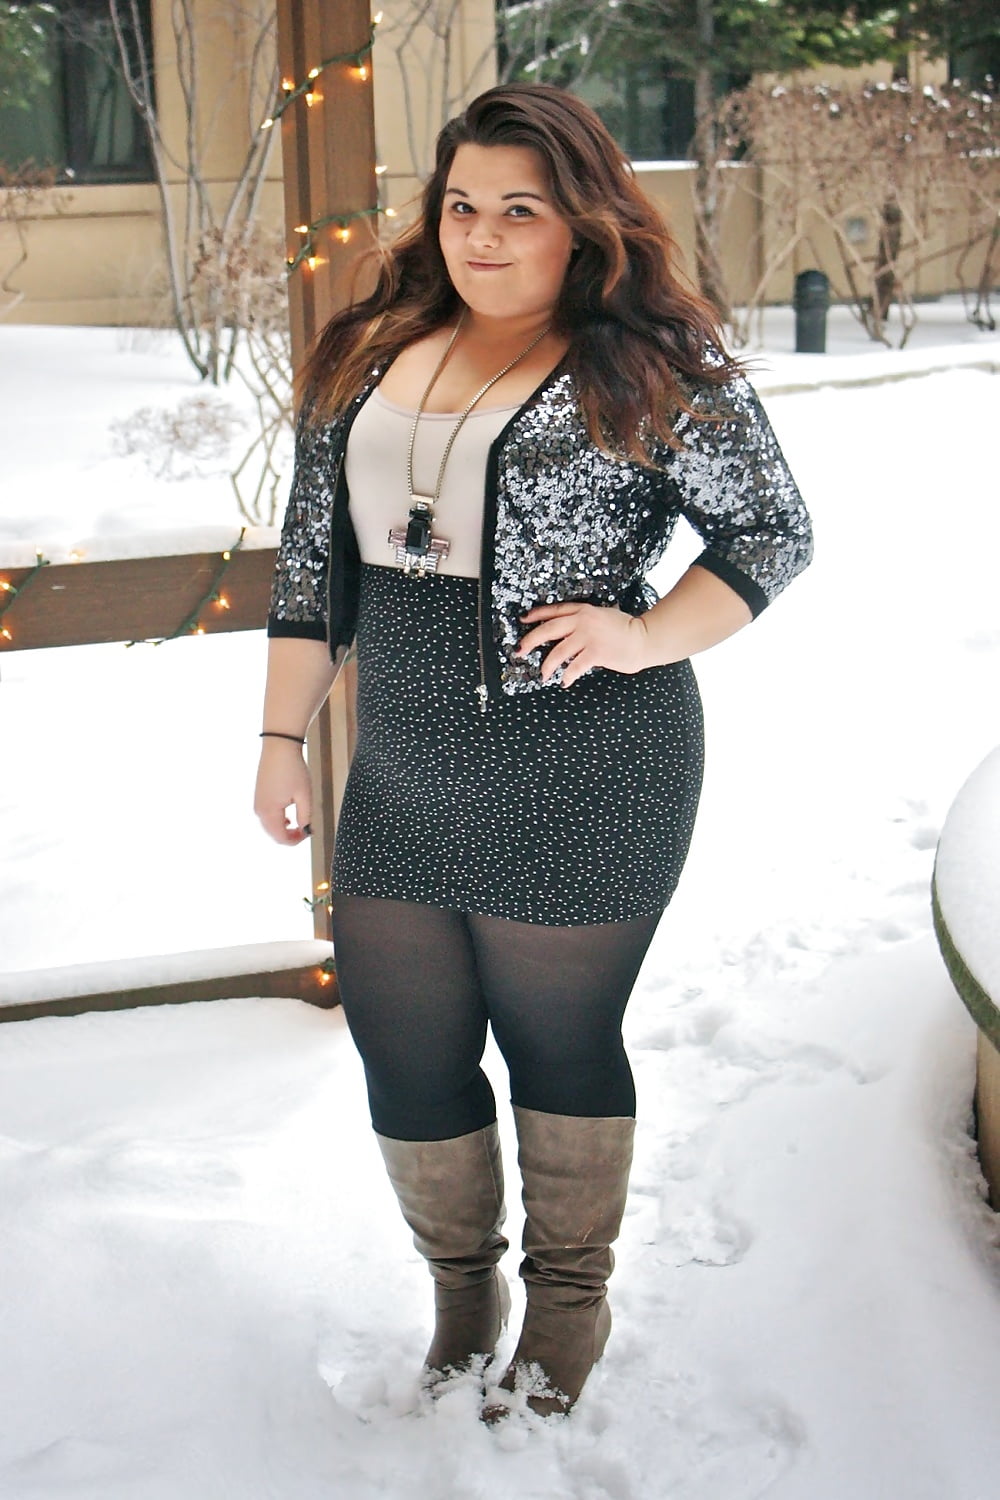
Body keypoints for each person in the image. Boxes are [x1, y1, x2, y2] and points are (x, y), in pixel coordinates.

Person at [254, 82, 812, 1421]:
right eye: (463, 207)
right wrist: (280, 735)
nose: (484, 237)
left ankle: (567, 1306)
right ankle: (464, 1295)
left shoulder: (648, 364)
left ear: (583, 226)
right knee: (406, 1049)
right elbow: (313, 567)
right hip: (407, 759)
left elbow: (771, 533)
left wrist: (646, 631)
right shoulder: (367, 352)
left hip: (589, 756)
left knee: (558, 1044)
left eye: (521, 211)